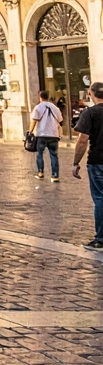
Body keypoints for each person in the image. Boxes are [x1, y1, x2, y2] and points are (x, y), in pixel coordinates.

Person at [71, 82, 103, 250]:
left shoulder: (90, 113)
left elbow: (83, 140)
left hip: (98, 162)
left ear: (90, 94)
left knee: (100, 199)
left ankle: (101, 239)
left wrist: (76, 162)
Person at [29, 89, 63, 182]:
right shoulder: (55, 108)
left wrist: (30, 131)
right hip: (53, 134)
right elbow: (60, 120)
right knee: (54, 155)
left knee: (39, 154)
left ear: (40, 97)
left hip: (42, 134)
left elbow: (33, 120)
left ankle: (40, 173)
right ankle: (55, 175)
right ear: (48, 97)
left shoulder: (38, 107)